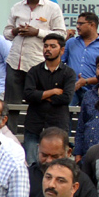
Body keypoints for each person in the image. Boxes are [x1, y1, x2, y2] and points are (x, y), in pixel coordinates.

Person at [4, 0, 67, 106]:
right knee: (11, 106)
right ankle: (10, 128)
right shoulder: (17, 7)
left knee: (39, 103)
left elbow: (62, 34)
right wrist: (16, 30)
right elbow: (6, 33)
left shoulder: (52, 8)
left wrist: (37, 32)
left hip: (38, 63)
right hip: (15, 63)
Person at [23, 32, 77, 162]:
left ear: (62, 50)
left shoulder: (68, 73)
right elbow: (28, 95)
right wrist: (52, 92)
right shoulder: (34, 71)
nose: (48, 49)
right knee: (32, 165)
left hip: (58, 124)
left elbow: (66, 98)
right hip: (34, 125)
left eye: (52, 46)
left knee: (57, 164)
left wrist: (40, 95)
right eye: (46, 46)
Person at [64, 11, 99, 99]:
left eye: (81, 24)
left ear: (92, 25)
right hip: (72, 90)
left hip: (94, 91)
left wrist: (86, 81)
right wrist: (62, 42)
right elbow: (58, 62)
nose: (77, 27)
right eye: (77, 23)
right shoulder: (70, 42)